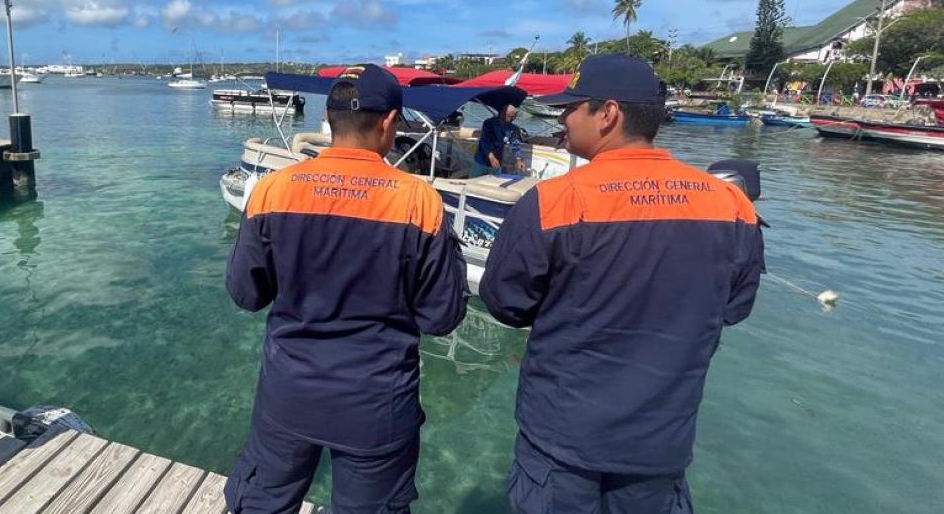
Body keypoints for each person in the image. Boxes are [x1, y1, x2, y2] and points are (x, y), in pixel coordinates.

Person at [479, 54, 764, 514]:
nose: (562, 118)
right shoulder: (731, 204)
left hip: (562, 442)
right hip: (660, 444)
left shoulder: (554, 201)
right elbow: (734, 307)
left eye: (571, 107)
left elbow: (505, 303)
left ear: (607, 114)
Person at [224, 64, 469, 514]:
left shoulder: (272, 191)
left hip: (288, 396)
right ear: (390, 122)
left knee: (261, 504)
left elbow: (246, 294)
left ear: (330, 119)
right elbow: (442, 316)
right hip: (377, 404)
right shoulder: (418, 202)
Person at [473, 103, 521, 176]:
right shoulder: (488, 123)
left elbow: (515, 143)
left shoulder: (513, 128)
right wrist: (491, 157)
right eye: (510, 116)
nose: (512, 119)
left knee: (493, 183)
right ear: (502, 113)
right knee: (473, 181)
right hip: (481, 160)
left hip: (497, 161)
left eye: (514, 117)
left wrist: (518, 159)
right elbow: (484, 141)